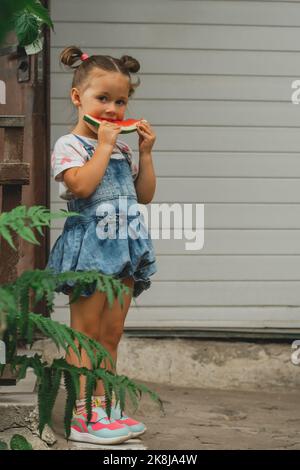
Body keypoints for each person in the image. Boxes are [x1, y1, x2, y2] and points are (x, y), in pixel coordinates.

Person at [46, 46, 157, 445]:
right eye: (102, 99)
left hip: (124, 247)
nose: (112, 109)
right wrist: (105, 146)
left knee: (111, 334)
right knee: (85, 334)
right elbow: (81, 185)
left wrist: (144, 153)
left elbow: (144, 195)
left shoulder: (125, 148)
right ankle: (81, 415)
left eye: (121, 101)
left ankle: (105, 406)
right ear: (78, 98)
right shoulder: (69, 145)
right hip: (90, 248)